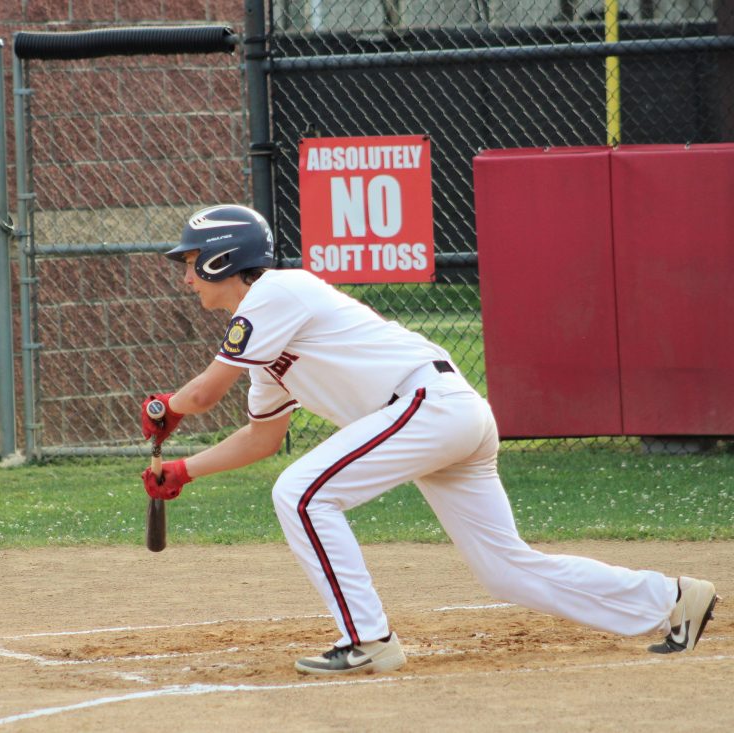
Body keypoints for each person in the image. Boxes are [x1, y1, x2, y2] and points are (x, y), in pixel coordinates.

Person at [139, 204, 718, 675]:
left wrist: (167, 407)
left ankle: (366, 639)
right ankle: (671, 600)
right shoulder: (265, 352)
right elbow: (261, 438)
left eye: (191, 262)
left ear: (224, 258)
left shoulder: (276, 291)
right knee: (504, 570)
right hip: (440, 416)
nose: (187, 277)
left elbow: (204, 394)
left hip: (424, 405)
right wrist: (186, 469)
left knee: (302, 493)